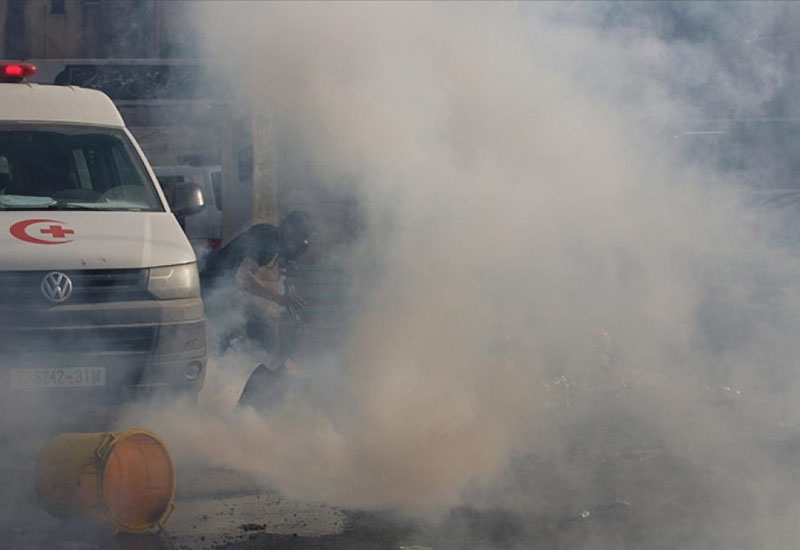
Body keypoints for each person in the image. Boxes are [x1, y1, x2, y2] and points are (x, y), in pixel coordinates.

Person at [200, 210, 313, 357]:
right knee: (257, 336)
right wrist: (279, 298)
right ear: (289, 229)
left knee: (260, 333)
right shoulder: (267, 240)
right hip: (212, 292)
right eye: (298, 236)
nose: (297, 243)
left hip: (224, 292)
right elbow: (244, 279)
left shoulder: (270, 236)